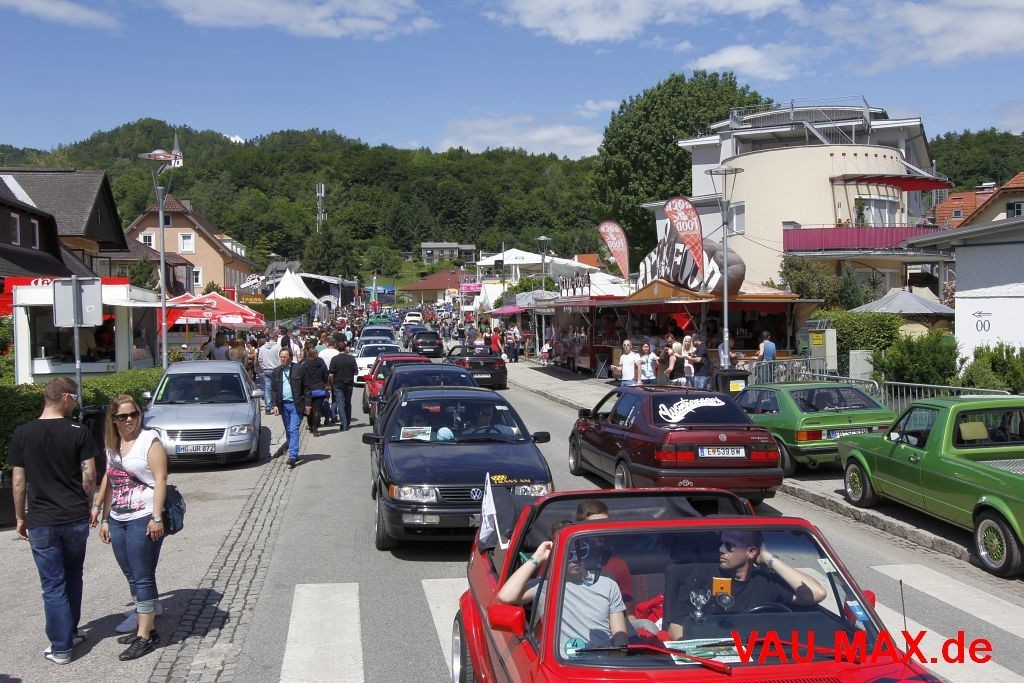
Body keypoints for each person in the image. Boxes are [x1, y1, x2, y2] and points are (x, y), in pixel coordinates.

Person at [9, 377, 97, 665]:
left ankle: (61, 646)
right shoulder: (79, 431)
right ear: (65, 398)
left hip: (42, 519)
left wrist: (20, 516)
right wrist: (88, 505)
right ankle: (69, 634)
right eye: (75, 399)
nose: (75, 404)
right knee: (73, 576)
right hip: (74, 516)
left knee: (53, 584)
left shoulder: (23, 433)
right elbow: (89, 476)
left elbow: (19, 481)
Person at [96, 394, 169, 661]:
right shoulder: (113, 444)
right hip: (118, 517)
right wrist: (105, 518)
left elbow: (161, 479)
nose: (129, 420)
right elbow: (111, 480)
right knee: (130, 572)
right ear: (113, 419)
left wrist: (156, 517)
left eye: (134, 414)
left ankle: (145, 636)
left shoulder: (149, 440)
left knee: (143, 574)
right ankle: (147, 624)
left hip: (143, 515)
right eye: (123, 416)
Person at [665, 529, 827, 639]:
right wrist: (689, 653)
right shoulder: (703, 575)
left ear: (751, 552)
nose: (721, 549)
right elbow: (676, 624)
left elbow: (817, 594)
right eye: (721, 544)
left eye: (729, 546)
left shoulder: (766, 582)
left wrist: (768, 558)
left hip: (756, 657)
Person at [498, 521, 628, 656]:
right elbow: (505, 596)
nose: (575, 559)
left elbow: (620, 637)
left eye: (580, 552)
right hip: (561, 663)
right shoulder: (546, 585)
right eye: (568, 554)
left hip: (602, 662)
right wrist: (538, 557)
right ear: (555, 555)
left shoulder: (608, 585)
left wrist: (616, 658)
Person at [575, 500, 635, 617]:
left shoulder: (618, 565)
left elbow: (629, 615)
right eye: (595, 526)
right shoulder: (566, 562)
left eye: (605, 525)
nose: (601, 531)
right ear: (581, 529)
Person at [272, 346, 303, 468]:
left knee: (293, 429)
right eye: (281, 357)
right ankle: (293, 452)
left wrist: (307, 404)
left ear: (290, 357)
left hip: (296, 404)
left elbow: (306, 387)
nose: (282, 359)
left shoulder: (298, 369)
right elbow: (274, 390)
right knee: (288, 430)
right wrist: (275, 405)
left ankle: (292, 456)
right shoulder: (277, 371)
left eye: (285, 357)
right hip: (283, 405)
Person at [299, 345, 328, 436]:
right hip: (319, 390)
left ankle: (310, 426)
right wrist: (324, 383)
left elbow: (301, 378)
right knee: (317, 410)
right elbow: (325, 376)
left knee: (309, 409)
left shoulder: (304, 365)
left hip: (308, 390)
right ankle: (315, 428)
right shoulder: (322, 363)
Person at [328, 340, 358, 430]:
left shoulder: (334, 359)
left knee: (340, 404)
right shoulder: (351, 358)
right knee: (348, 402)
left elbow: (331, 374)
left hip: (338, 383)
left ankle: (344, 424)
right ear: (345, 348)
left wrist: (331, 384)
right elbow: (356, 372)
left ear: (337, 348)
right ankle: (347, 422)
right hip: (348, 383)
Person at [257, 332, 281, 415]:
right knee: (277, 388)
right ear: (275, 337)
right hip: (276, 369)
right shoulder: (278, 347)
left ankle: (267, 407)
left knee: (267, 389)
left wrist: (262, 367)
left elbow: (260, 359)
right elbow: (280, 358)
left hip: (266, 370)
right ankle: (276, 405)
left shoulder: (262, 348)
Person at [317, 338, 340, 424]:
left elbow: (319, 363)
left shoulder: (322, 352)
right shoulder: (337, 352)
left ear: (327, 344)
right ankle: (333, 415)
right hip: (334, 375)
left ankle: (326, 414)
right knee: (335, 396)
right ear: (335, 344)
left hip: (323, 375)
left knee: (325, 396)